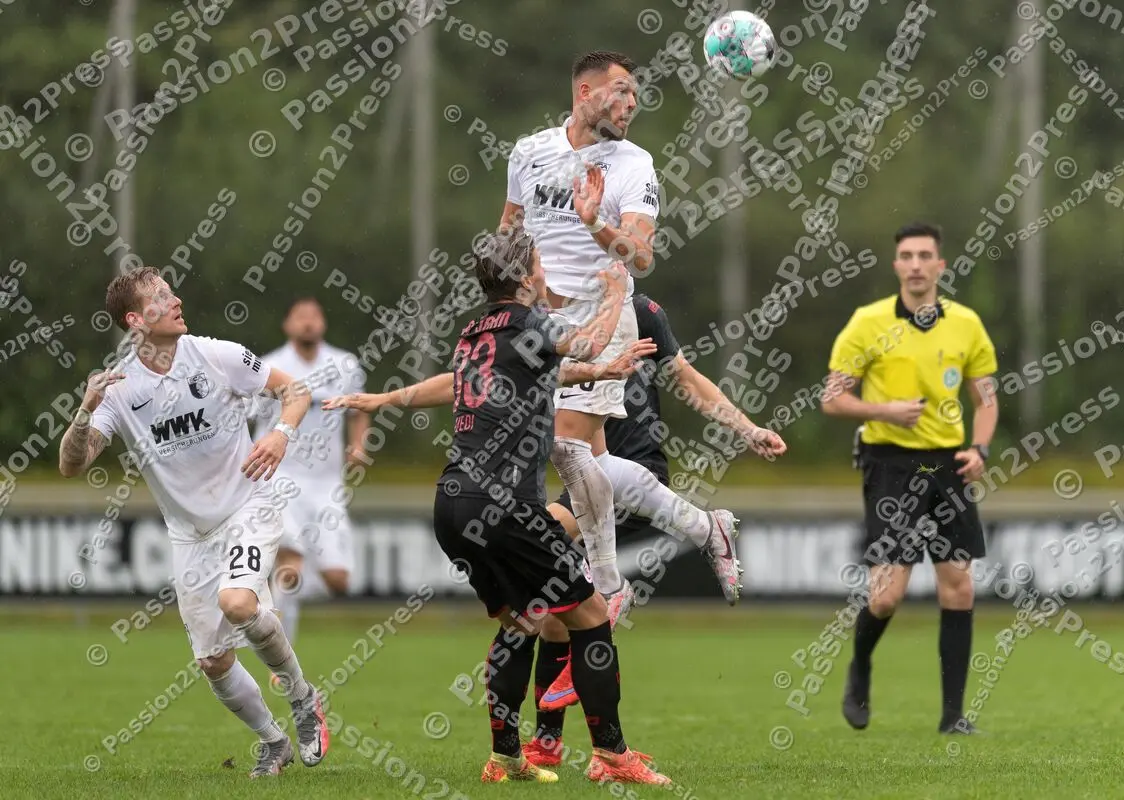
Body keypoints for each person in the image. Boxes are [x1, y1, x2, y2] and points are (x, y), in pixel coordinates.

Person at [325, 229, 671, 785]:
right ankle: (611, 755)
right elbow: (583, 343)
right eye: (538, 262)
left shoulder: (476, 333)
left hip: (454, 504)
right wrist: (613, 294)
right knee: (588, 614)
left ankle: (506, 757)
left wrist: (389, 398)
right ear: (526, 276)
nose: (544, 270)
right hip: (505, 504)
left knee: (523, 619)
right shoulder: (532, 324)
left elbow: (508, 376)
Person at [58, 267, 330, 777]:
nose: (176, 298)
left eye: (172, 290)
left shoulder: (215, 354)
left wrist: (280, 435)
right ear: (136, 319)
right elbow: (73, 464)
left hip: (249, 505)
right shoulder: (118, 388)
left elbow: (296, 392)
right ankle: (274, 742)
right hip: (190, 534)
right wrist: (83, 412)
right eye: (162, 296)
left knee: (238, 602)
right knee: (213, 662)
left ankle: (303, 700)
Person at [524, 294, 790, 764]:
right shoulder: (546, 313)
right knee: (557, 610)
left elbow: (687, 379)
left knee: (544, 552)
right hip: (587, 467)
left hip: (626, 467)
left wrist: (747, 430)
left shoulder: (640, 310)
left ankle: (579, 742)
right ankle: (567, 746)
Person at [499, 49, 662, 626]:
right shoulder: (529, 152)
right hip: (539, 321)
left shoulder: (634, 164)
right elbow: (509, 237)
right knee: (557, 456)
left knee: (567, 446)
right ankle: (696, 523)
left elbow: (640, 257)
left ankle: (606, 581)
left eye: (635, 95)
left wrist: (596, 223)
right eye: (620, 91)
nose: (630, 103)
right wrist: (513, 300)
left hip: (601, 315)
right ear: (585, 92)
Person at [820, 222, 999, 735]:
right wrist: (884, 410)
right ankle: (861, 668)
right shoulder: (867, 322)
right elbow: (832, 399)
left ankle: (952, 717)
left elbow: (985, 398)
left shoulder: (966, 323)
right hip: (890, 461)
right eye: (907, 255)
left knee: (958, 586)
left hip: (949, 464)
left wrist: (981, 447)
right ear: (896, 265)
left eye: (925, 255)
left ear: (941, 266)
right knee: (886, 595)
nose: (916, 264)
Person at [248, 297, 368, 647]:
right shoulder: (269, 367)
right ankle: (281, 658)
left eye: (314, 316)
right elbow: (246, 421)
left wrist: (359, 445)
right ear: (287, 325)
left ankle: (278, 587)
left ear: (323, 324)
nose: (308, 323)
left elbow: (359, 409)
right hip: (280, 478)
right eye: (300, 317)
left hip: (327, 484)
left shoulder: (343, 364)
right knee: (291, 559)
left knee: (338, 580)